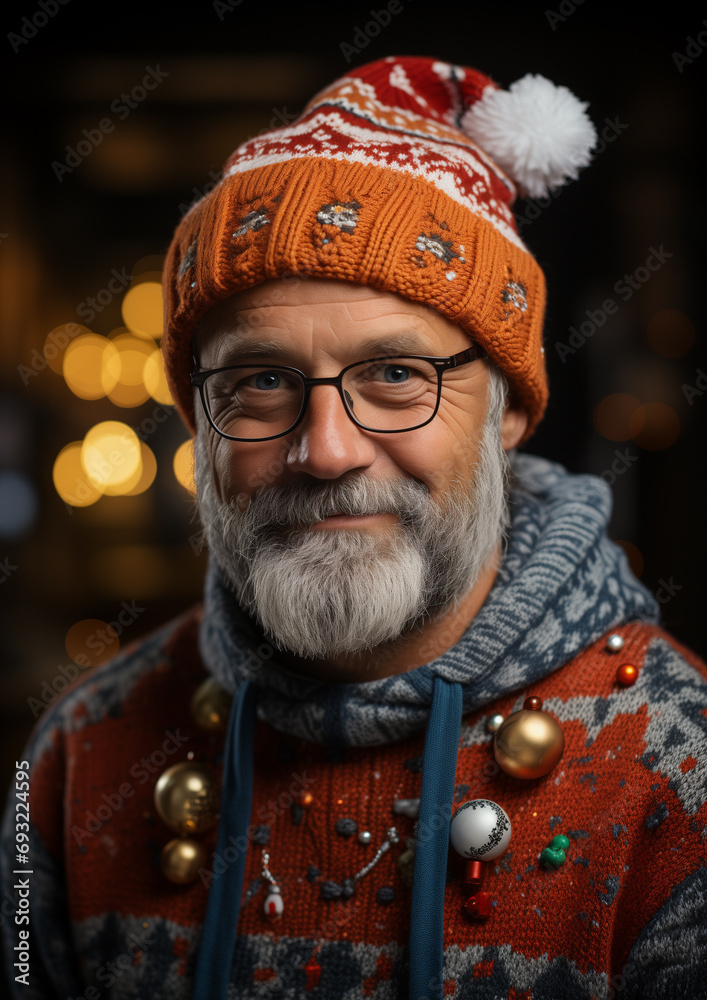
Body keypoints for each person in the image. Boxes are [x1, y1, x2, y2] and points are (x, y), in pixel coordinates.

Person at [3, 55, 707, 1000]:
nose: (327, 450)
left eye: (397, 376)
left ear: (505, 414)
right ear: (196, 422)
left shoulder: (680, 760)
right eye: (259, 382)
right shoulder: (78, 751)